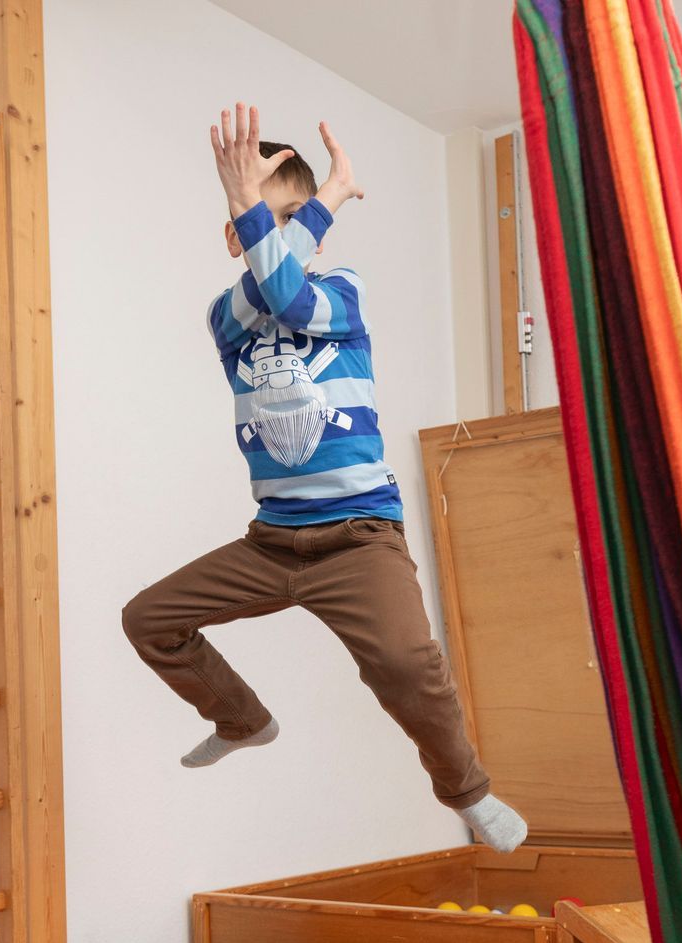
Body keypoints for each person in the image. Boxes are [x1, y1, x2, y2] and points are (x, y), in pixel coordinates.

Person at [120, 103, 527, 854]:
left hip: (358, 540)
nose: (260, 235)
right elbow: (267, 292)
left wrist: (291, 203)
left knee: (408, 665)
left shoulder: (342, 291)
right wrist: (317, 199)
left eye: (279, 222)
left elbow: (294, 297)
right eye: (249, 224)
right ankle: (241, 719)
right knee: (148, 618)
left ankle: (467, 790)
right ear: (233, 237)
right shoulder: (226, 316)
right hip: (272, 543)